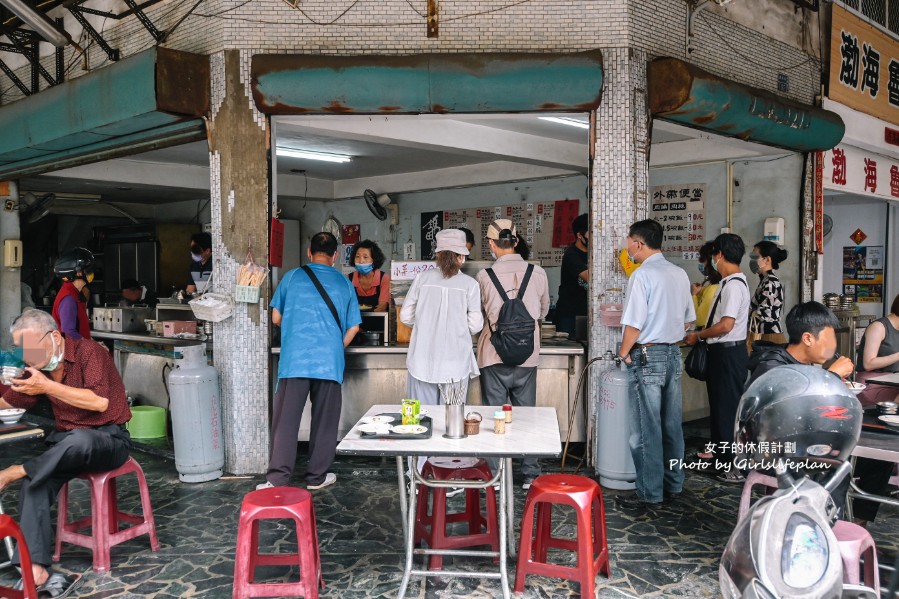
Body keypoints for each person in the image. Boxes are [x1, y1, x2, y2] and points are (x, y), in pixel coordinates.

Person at [0, 309, 132, 596]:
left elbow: (98, 403)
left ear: (55, 336)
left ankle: (18, 469)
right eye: (22, 350)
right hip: (65, 445)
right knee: (37, 480)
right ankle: (36, 569)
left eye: (32, 348)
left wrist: (46, 385)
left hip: (109, 439)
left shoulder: (90, 353)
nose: (28, 356)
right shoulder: (40, 368)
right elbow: (8, 401)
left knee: (79, 441)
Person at [745, 302, 890, 526]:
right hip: (773, 451)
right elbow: (786, 411)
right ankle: (815, 529)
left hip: (807, 444)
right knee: (834, 463)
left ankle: (853, 522)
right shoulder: (771, 367)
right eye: (828, 340)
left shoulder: (809, 366)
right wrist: (830, 376)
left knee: (876, 462)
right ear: (808, 339)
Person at [258, 232, 361, 492]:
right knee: (325, 422)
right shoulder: (345, 283)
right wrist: (334, 347)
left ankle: (277, 479)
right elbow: (354, 327)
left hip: (295, 359)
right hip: (329, 362)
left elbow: (276, 317)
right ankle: (316, 477)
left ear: (309, 252)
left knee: (286, 421)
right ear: (336, 256)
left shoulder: (292, 277)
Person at [615, 219, 695, 510]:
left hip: (647, 356)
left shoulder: (642, 275)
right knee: (672, 425)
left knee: (646, 428)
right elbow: (688, 319)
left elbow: (634, 324)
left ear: (638, 243)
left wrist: (623, 353)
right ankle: (673, 485)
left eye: (628, 240)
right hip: (673, 354)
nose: (627, 246)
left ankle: (649, 492)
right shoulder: (678, 274)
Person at [476, 220, 549, 488]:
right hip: (528, 355)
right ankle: (530, 473)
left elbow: (479, 315)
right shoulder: (538, 272)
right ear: (516, 242)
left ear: (492, 245)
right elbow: (543, 312)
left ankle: (495, 474)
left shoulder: (484, 276)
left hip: (494, 354)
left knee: (495, 414)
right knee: (526, 415)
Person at [684, 233, 750, 484]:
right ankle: (722, 461)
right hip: (722, 353)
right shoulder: (728, 282)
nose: (711, 261)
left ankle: (734, 467)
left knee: (727, 411)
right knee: (720, 410)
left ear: (719, 255)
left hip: (728, 354)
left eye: (713, 255)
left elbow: (725, 325)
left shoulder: (733, 285)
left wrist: (699, 335)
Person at [401, 229, 483, 409]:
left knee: (421, 417)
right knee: (451, 420)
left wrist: (426, 325)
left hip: (422, 361)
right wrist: (457, 329)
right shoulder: (470, 285)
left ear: (437, 254)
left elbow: (405, 315)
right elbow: (476, 325)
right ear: (461, 257)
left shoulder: (422, 279)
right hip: (456, 364)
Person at [747, 240, 789, 350]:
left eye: (756, 257)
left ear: (767, 260)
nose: (752, 261)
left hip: (769, 338)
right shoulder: (766, 280)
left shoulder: (770, 282)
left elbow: (765, 313)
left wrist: (746, 311)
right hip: (764, 336)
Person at [554, 213, 589, 337]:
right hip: (569, 315)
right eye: (590, 233)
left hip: (586, 313)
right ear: (579, 235)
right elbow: (589, 277)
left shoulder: (594, 253)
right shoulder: (571, 254)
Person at [52, 247, 95, 340]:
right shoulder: (68, 299)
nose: (91, 273)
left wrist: (94, 343)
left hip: (80, 350)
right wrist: (91, 347)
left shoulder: (75, 294)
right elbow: (69, 332)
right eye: (88, 270)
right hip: (72, 352)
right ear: (79, 273)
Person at [348, 240, 391, 312]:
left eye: (365, 257)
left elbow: (382, 307)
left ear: (374, 260)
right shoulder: (348, 279)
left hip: (379, 321)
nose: (361, 261)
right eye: (357, 256)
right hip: (355, 322)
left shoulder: (384, 278)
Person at [691, 241, 721, 331]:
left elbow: (699, 320)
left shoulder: (713, 288)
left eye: (703, 261)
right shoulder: (713, 286)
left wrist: (694, 295)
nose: (702, 265)